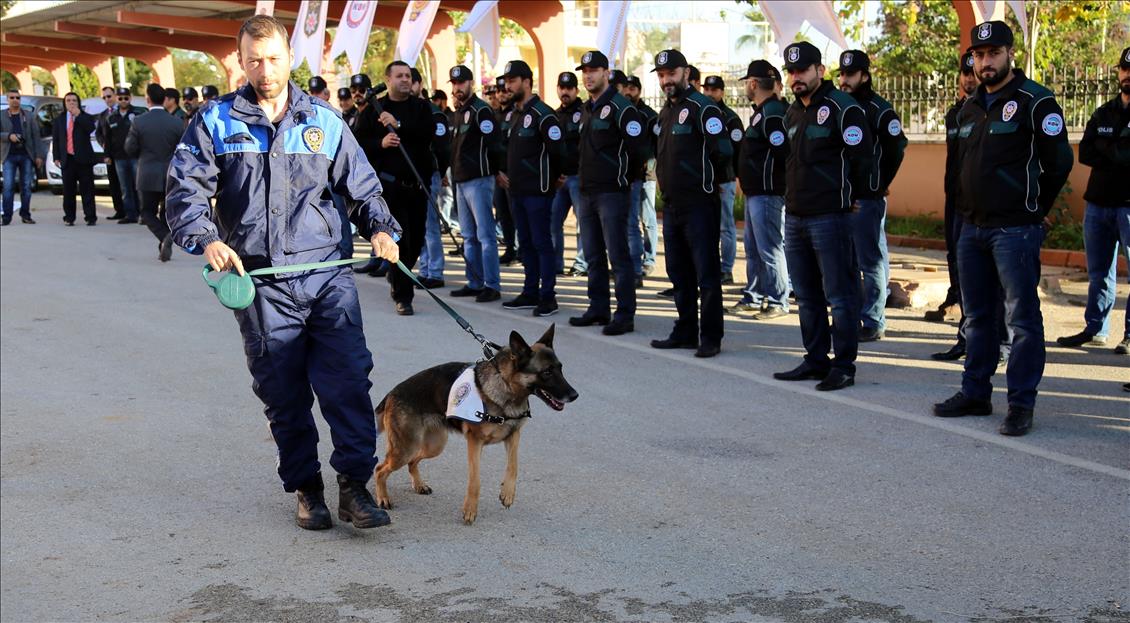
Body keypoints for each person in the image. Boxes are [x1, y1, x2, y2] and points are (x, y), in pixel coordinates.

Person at [166, 14, 401, 531]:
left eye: (272, 59)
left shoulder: (324, 120)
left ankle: (355, 489)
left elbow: (362, 189)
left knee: (347, 384)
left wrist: (381, 229)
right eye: (253, 60)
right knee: (284, 393)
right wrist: (206, 239)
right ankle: (307, 490)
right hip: (261, 286)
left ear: (288, 57)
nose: (264, 70)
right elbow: (184, 194)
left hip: (327, 280)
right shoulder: (215, 121)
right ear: (241, 60)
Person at [932, 21, 1073, 437]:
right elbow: (958, 169)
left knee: (1023, 320)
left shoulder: (1035, 101)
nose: (985, 61)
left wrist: (1035, 209)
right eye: (979, 55)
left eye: (993, 53)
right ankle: (975, 393)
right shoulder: (968, 106)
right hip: (971, 229)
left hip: (1014, 231)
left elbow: (1059, 163)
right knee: (976, 318)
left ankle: (1020, 405)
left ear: (1011, 54)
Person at [772, 41, 871, 391]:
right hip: (796, 216)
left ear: (820, 70)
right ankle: (815, 359)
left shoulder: (843, 107)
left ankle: (844, 366)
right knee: (808, 295)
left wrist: (853, 196)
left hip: (831, 217)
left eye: (803, 70)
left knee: (841, 295)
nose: (796, 77)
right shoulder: (792, 112)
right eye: (792, 71)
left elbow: (863, 157)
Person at [651, 49, 731, 358]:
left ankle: (710, 336)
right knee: (678, 272)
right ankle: (685, 330)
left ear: (686, 73)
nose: (666, 80)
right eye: (661, 75)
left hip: (699, 204)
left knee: (706, 274)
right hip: (672, 206)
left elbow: (722, 152)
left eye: (671, 74)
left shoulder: (703, 108)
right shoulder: (666, 111)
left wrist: (704, 184)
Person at [1056, 46, 1130, 356]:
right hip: (1098, 204)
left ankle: (1129, 336)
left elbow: (1112, 154)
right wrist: (1117, 149)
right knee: (1099, 271)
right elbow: (1085, 152)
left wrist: (1107, 148)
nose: (1128, 75)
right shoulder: (1103, 111)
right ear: (1118, 72)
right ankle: (1096, 328)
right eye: (1124, 69)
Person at [568, 50, 644, 335]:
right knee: (593, 255)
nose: (588, 75)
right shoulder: (587, 108)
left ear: (606, 72)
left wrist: (623, 179)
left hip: (612, 193)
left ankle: (624, 315)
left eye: (594, 70)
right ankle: (598, 307)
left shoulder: (621, 106)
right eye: (584, 71)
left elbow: (638, 149)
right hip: (587, 192)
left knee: (618, 256)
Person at [837, 50, 907, 342]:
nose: (844, 80)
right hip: (842, 198)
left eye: (850, 75)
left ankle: (873, 319)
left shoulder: (879, 110)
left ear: (864, 76)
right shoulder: (839, 106)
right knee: (849, 261)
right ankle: (852, 317)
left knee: (871, 260)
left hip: (867, 199)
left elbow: (896, 149)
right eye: (841, 74)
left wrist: (879, 183)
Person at [366, 61, 439, 316]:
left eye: (408, 75)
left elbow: (428, 133)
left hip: (417, 187)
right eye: (399, 76)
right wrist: (381, 142)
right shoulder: (376, 108)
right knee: (402, 242)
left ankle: (397, 276)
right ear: (388, 80)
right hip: (390, 189)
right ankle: (403, 296)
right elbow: (358, 142)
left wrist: (399, 125)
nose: (405, 80)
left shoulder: (421, 108)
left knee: (416, 242)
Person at [498, 60, 564, 317]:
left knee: (541, 243)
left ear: (527, 82)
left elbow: (558, 152)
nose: (508, 85)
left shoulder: (544, 114)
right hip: (518, 191)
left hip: (538, 192)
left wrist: (552, 179)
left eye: (513, 81)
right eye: (507, 81)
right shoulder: (514, 114)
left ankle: (548, 296)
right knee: (525, 243)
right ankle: (530, 291)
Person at [729, 60, 790, 321]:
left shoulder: (773, 112)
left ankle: (778, 300)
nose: (746, 87)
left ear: (753, 84)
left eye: (747, 83)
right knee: (754, 249)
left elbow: (783, 152)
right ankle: (754, 296)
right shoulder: (762, 111)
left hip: (768, 192)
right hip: (757, 192)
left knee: (770, 248)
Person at [448, 64, 504, 302]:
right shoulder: (460, 111)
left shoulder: (482, 110)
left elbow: (495, 144)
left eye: (462, 82)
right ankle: (474, 281)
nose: (458, 87)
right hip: (461, 181)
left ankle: (492, 285)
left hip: (479, 180)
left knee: (485, 236)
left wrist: (498, 171)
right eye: (454, 83)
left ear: (471, 83)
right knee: (468, 236)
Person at [126, 83, 184, 262]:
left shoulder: (139, 121)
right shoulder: (176, 122)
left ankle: (164, 235)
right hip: (170, 174)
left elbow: (129, 148)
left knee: (146, 212)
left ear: (148, 99)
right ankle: (164, 241)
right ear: (164, 99)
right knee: (166, 212)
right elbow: (184, 149)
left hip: (147, 174)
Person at [701, 75, 744, 286]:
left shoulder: (730, 118)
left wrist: (736, 177)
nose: (709, 93)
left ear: (721, 92)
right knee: (708, 226)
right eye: (706, 89)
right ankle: (712, 267)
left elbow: (737, 151)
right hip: (706, 180)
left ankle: (726, 269)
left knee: (726, 226)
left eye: (713, 90)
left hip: (725, 179)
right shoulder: (702, 112)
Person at [623, 75, 659, 280]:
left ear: (639, 90)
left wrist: (650, 164)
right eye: (626, 88)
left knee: (648, 218)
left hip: (648, 174)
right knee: (633, 220)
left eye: (632, 89)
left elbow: (658, 143)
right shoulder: (624, 112)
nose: (629, 92)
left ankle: (649, 259)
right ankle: (637, 258)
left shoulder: (649, 115)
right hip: (631, 174)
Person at [551, 70, 586, 277]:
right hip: (560, 179)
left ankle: (581, 263)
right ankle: (556, 264)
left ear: (576, 90)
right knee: (554, 222)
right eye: (562, 88)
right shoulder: (554, 115)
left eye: (569, 88)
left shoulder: (583, 112)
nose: (565, 92)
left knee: (583, 224)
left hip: (579, 177)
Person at [52, 92, 98, 226]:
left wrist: (78, 115)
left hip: (84, 159)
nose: (71, 103)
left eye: (74, 100)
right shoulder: (59, 119)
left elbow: (90, 129)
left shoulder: (85, 117)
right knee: (68, 191)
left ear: (78, 103)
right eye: (68, 101)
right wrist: (56, 156)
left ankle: (90, 217)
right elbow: (56, 139)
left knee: (87, 189)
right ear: (64, 103)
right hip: (68, 159)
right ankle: (69, 217)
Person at [98, 87, 141, 225]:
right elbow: (107, 139)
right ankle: (130, 214)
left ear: (130, 98)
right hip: (119, 158)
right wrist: (107, 155)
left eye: (126, 98)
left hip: (135, 157)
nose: (123, 101)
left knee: (138, 186)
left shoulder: (138, 114)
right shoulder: (111, 117)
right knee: (125, 188)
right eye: (120, 98)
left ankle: (142, 213)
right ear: (117, 99)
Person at [1, 88, 44, 225]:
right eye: (12, 98)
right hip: (9, 156)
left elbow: (36, 136)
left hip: (26, 155)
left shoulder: (29, 116)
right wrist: (9, 136)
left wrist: (38, 155)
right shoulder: (1, 115)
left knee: (26, 187)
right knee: (8, 187)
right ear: (7, 100)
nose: (15, 100)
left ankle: (25, 214)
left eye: (17, 98)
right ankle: (6, 217)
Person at [494, 75, 519, 266]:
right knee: (503, 214)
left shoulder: (516, 114)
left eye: (505, 90)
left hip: (513, 173)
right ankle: (510, 248)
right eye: (499, 91)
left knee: (515, 213)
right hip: (497, 173)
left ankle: (520, 250)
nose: (502, 94)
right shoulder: (494, 115)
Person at [95, 86, 126, 221]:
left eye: (109, 96)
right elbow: (99, 133)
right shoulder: (103, 115)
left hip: (124, 154)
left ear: (115, 96)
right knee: (113, 183)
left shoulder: (123, 112)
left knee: (126, 183)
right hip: (110, 154)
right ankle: (119, 210)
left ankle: (131, 210)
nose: (107, 99)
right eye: (105, 97)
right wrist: (103, 143)